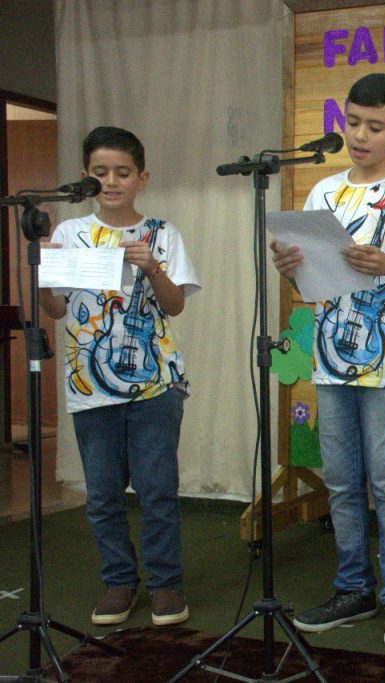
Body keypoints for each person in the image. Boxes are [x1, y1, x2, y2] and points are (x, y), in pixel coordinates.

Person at [271, 73, 385, 647]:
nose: (359, 135)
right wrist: (291, 269)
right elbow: (313, 287)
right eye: (352, 122)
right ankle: (353, 586)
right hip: (330, 356)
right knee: (344, 482)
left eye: (374, 126)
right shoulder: (323, 192)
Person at [40, 126, 201, 627]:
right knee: (104, 492)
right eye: (100, 172)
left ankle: (165, 583)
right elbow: (56, 309)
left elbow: (175, 305)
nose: (111, 181)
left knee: (157, 488)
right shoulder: (71, 233)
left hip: (156, 385)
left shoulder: (162, 232)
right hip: (91, 385)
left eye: (122, 172)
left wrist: (153, 268)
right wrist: (45, 268)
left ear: (142, 178)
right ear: (86, 177)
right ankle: (117, 580)